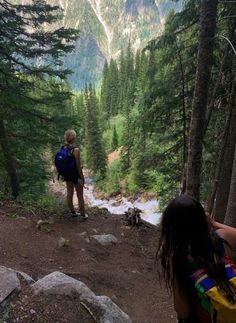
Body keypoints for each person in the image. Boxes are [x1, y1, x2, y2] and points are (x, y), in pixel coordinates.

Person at [157, 194, 236, 323]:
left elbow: (183, 311)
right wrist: (213, 223)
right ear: (202, 220)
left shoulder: (177, 258)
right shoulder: (220, 240)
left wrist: (173, 272)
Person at [63, 129, 88, 219]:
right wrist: (82, 178)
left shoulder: (63, 148)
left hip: (67, 174)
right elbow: (78, 166)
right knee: (80, 194)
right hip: (75, 174)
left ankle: (73, 212)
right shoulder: (76, 150)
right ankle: (82, 214)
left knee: (69, 193)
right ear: (74, 138)